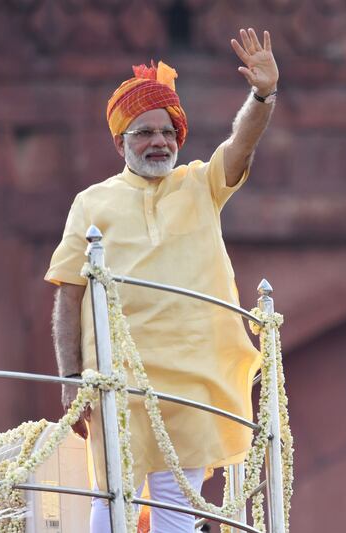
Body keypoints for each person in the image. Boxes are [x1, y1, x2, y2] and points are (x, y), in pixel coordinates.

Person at [45, 28, 279, 533]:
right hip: (119, 382)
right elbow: (69, 295)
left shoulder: (200, 184)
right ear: (119, 141)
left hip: (193, 379)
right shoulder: (93, 202)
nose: (159, 142)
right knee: (111, 501)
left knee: (177, 510)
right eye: (144, 132)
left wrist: (262, 96)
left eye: (168, 132)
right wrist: (70, 380)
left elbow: (243, 142)